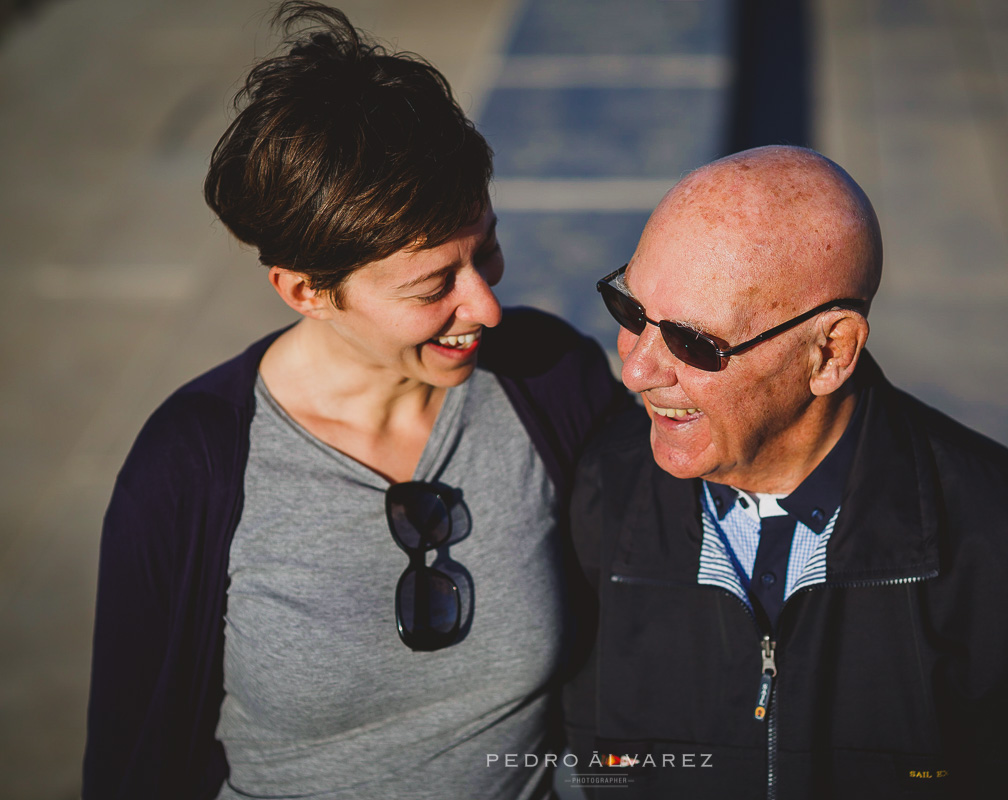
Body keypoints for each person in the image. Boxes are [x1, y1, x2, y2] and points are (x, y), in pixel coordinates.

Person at [82, 3, 623, 798]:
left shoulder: (550, 383)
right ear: (305, 290)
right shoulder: (189, 469)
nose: (487, 306)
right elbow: (134, 755)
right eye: (435, 284)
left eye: (488, 248)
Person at [561, 146, 1008, 799]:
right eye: (630, 311)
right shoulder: (590, 497)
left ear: (831, 352)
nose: (635, 369)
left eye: (694, 343)